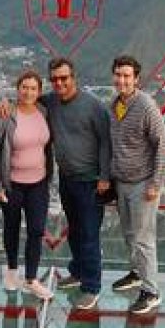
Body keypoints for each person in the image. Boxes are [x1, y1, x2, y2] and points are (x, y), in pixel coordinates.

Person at [41, 56, 114, 313]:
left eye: (64, 78)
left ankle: (92, 287)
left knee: (89, 233)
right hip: (67, 178)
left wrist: (105, 176)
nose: (59, 83)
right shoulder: (50, 102)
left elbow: (106, 142)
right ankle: (78, 271)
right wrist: (6, 103)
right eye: (54, 79)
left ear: (74, 78)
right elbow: (26, 100)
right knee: (74, 230)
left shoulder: (93, 106)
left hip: (91, 182)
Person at [0, 69, 55, 300]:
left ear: (39, 92)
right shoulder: (5, 115)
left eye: (33, 88)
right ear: (17, 89)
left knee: (36, 230)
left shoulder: (43, 111)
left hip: (39, 183)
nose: (28, 92)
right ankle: (12, 271)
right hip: (12, 183)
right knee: (12, 227)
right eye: (24, 87)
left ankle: (31, 279)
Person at [107, 54, 165, 317]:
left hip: (143, 183)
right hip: (122, 181)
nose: (122, 80)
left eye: (126, 76)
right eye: (118, 75)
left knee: (143, 239)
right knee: (130, 234)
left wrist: (156, 182)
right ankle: (136, 273)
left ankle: (151, 291)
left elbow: (162, 144)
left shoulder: (145, 106)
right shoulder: (115, 106)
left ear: (136, 79)